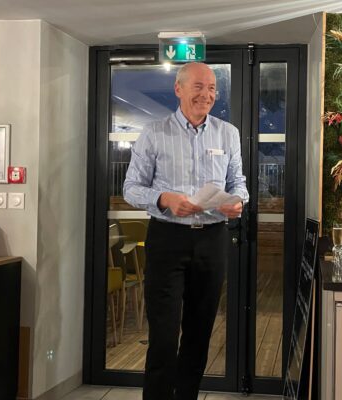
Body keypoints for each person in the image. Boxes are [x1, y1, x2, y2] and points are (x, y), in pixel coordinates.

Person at [123, 62, 249, 400]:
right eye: (198, 86)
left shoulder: (228, 133)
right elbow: (131, 188)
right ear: (178, 89)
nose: (206, 94)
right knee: (164, 337)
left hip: (212, 240)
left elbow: (238, 182)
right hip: (168, 238)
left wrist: (237, 201)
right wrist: (164, 198)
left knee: (199, 333)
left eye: (212, 88)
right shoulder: (154, 132)